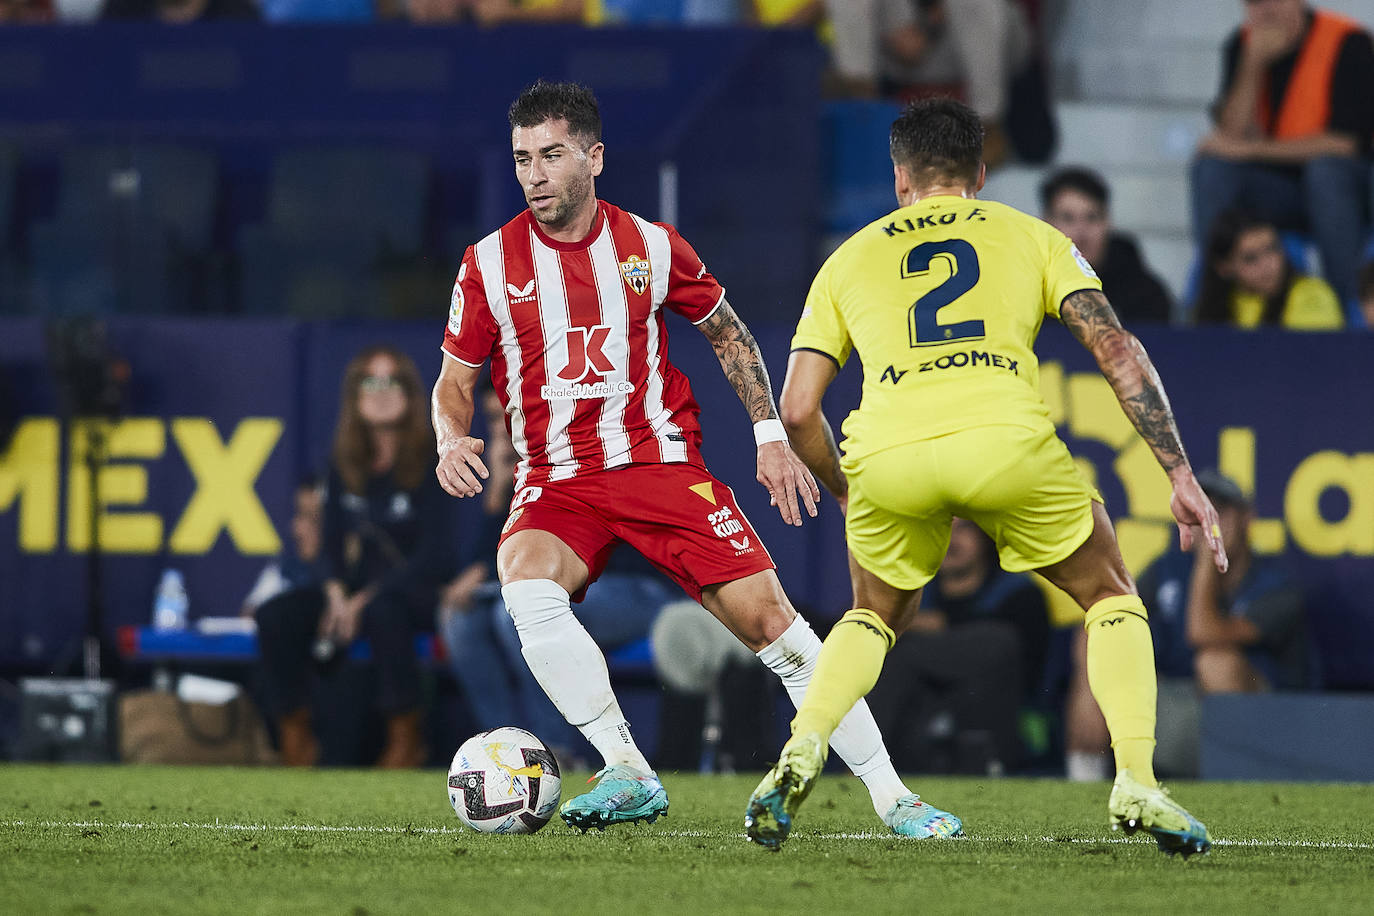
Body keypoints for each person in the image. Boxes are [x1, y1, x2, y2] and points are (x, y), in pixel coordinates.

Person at [431, 80, 943, 838]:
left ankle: (895, 797)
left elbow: (730, 335)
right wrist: (450, 436)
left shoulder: (650, 247)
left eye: (551, 155)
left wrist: (771, 438)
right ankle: (627, 770)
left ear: (594, 157)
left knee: (776, 626)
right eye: (521, 159)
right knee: (525, 588)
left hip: (660, 467)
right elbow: (453, 381)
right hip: (556, 481)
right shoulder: (487, 265)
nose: (534, 175)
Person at [745, 97, 1227, 857]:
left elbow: (799, 408)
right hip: (1004, 443)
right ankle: (1136, 777)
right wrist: (1179, 472)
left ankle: (802, 748)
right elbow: (1119, 351)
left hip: (889, 452)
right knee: (1108, 593)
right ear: (979, 173)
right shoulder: (1033, 236)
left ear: (900, 176)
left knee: (872, 615)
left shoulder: (848, 258)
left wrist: (848, 490)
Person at [438, 380, 670, 761]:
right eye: (494, 419)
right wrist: (500, 491)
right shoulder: (518, 467)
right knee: (460, 619)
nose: (502, 428)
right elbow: (507, 558)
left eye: (510, 415)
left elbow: (570, 550)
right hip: (565, 587)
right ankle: (503, 750)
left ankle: (554, 751)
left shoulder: (577, 445)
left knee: (519, 613)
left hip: (635, 587)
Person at [256, 346, 456, 768]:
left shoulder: (433, 461)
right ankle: (294, 732)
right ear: (354, 395)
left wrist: (362, 600)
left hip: (409, 595)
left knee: (385, 611)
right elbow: (327, 544)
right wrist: (334, 594)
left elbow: (435, 553)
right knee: (276, 614)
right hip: (348, 594)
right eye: (370, 382)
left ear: (410, 393)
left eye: (392, 382)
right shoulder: (342, 464)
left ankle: (405, 736)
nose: (380, 392)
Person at [1191, 0, 1374, 305]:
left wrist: (1251, 150)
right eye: (1254, 3)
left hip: (1347, 191)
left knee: (1326, 173)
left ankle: (1348, 307)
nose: (1264, 12)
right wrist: (1252, 64)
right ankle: (1216, 300)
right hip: (1279, 191)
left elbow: (1346, 144)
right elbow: (1231, 136)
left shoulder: (1347, 41)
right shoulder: (1243, 43)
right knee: (1212, 168)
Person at [865, 517, 1049, 775]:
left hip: (997, 727)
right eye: (942, 529)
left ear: (985, 537)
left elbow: (1028, 672)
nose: (952, 540)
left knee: (993, 641)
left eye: (964, 528)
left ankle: (862, 765)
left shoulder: (1019, 594)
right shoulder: (912, 595)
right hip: (917, 734)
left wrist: (937, 627)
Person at [1040, 167, 1173, 326]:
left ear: (1108, 223)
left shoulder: (1147, 295)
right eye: (1068, 218)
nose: (1081, 233)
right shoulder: (1027, 290)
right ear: (1045, 224)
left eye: (1092, 218)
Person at [1193, 209, 1344, 329]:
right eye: (1250, 258)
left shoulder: (1312, 294)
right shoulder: (1211, 310)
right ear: (1224, 267)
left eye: (1272, 249)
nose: (1268, 265)